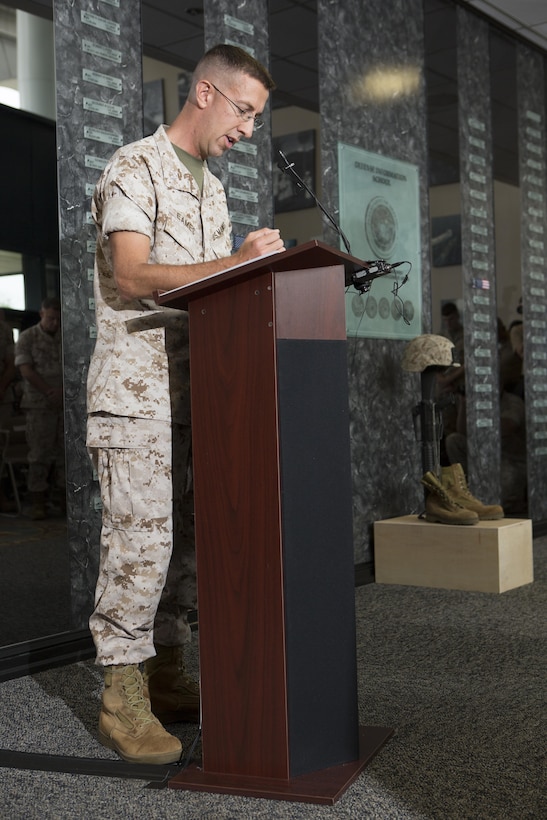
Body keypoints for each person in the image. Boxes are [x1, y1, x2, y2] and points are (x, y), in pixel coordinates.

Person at [86, 43, 284, 766]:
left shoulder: (213, 188)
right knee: (139, 544)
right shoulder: (133, 167)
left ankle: (166, 668)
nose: (248, 130)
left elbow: (211, 290)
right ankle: (120, 691)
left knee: (191, 545)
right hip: (135, 396)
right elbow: (134, 276)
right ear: (204, 92)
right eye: (244, 111)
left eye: (257, 119)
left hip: (206, 392)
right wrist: (238, 262)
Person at [14, 297, 65, 520]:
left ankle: (65, 500)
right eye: (51, 318)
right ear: (41, 314)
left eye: (58, 319)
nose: (55, 323)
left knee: (66, 454)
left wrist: (63, 391)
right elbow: (25, 370)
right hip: (38, 405)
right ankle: (38, 502)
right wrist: (49, 391)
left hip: (64, 403)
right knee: (39, 455)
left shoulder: (67, 336)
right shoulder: (27, 338)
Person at [0, 310, 17, 512]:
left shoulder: (3, 330)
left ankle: (2, 496)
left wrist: (2, 387)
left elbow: (11, 364)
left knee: (2, 447)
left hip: (2, 397)